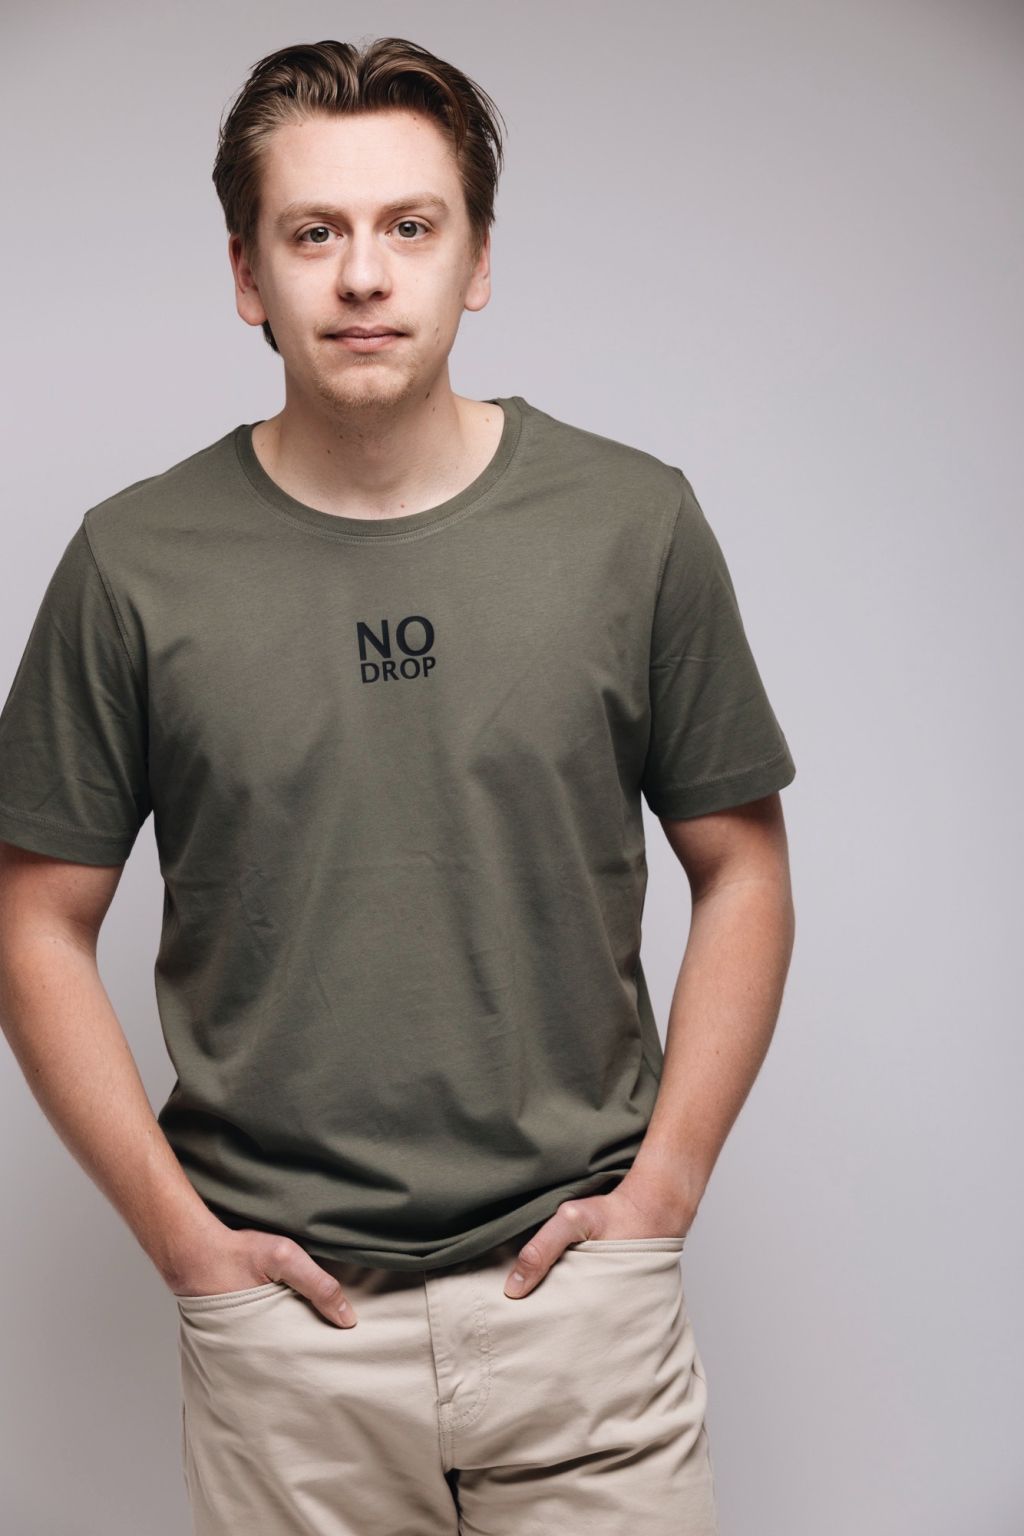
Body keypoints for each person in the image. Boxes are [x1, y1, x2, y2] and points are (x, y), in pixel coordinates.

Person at [0, 34, 797, 1536]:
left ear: (476, 259)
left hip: (584, 1318)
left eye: (409, 227)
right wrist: (184, 1246)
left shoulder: (632, 525)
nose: (363, 277)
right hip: (289, 1343)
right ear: (248, 274)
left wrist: (666, 1193)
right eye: (314, 233)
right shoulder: (131, 565)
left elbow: (744, 863)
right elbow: (33, 918)